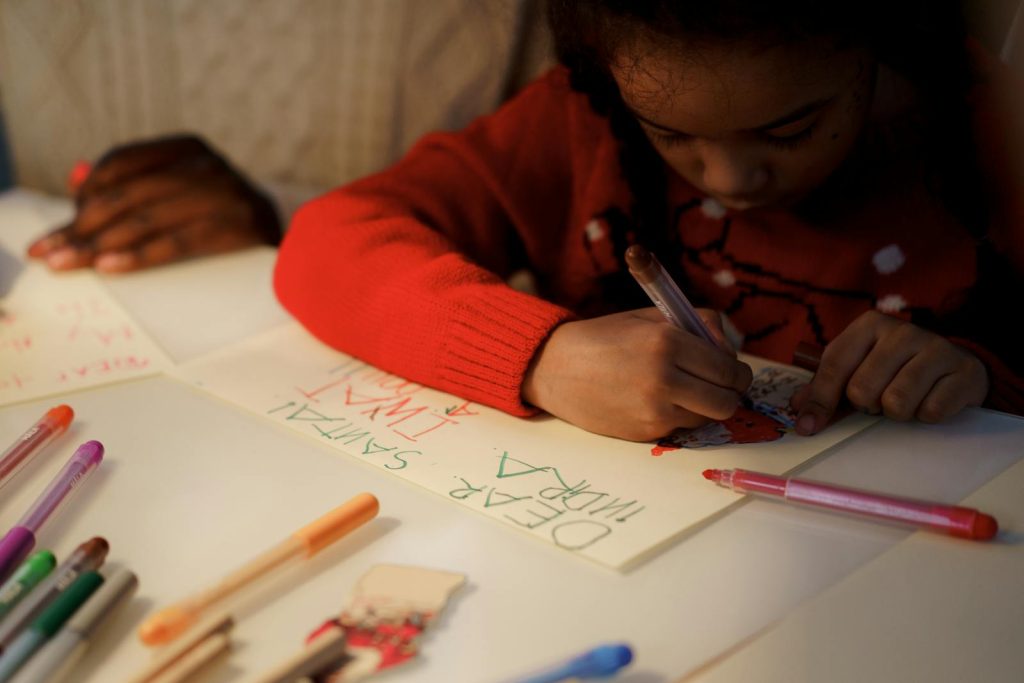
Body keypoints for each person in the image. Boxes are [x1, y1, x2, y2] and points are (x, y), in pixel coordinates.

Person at [273, 0, 1024, 442]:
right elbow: (328, 241)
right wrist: (542, 356)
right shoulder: (583, 120)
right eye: (669, 135)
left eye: (791, 130)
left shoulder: (996, 131)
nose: (730, 181)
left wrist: (981, 376)